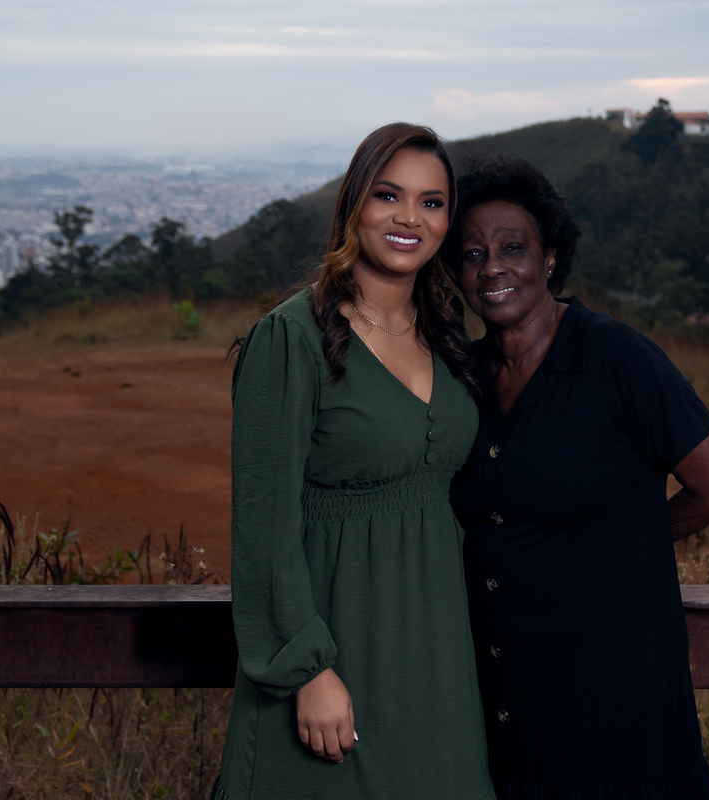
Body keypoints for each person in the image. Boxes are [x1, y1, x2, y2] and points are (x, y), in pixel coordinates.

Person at [448, 157, 709, 799]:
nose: (492, 267)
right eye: (472, 254)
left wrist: (624, 542)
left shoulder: (615, 356)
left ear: (551, 257)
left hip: (613, 693)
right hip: (508, 693)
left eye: (513, 248)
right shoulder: (461, 377)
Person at [212, 123, 494, 800]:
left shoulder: (448, 334)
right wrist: (306, 671)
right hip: (334, 653)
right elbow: (263, 525)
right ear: (353, 203)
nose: (409, 218)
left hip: (438, 658)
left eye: (431, 203)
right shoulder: (291, 337)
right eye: (388, 195)